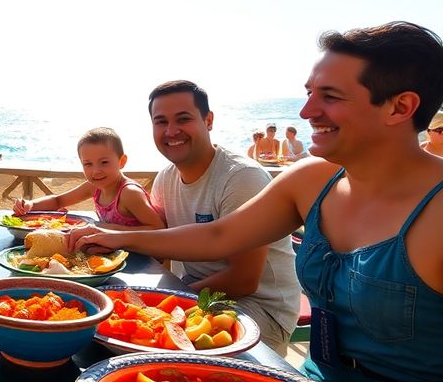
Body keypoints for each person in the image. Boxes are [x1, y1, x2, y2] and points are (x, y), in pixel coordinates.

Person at [70, 22, 443, 381]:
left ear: (400, 107)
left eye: (329, 96)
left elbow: (241, 275)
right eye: (310, 93)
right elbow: (219, 236)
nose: (306, 111)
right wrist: (116, 236)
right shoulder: (311, 179)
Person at [79, 81, 300, 354]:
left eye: (183, 119)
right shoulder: (166, 178)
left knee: (138, 344)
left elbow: (244, 279)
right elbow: (156, 240)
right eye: (161, 122)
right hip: (191, 291)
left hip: (256, 308)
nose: (171, 131)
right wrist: (102, 239)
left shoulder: (241, 178)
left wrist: (168, 301)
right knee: (98, 324)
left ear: (208, 120)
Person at [13, 127, 164, 230]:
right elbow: (58, 201)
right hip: (116, 253)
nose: (96, 171)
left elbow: (159, 230)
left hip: (143, 263)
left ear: (122, 162)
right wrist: (30, 205)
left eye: (104, 162)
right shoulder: (94, 187)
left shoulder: (128, 193)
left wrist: (108, 229)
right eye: (88, 164)